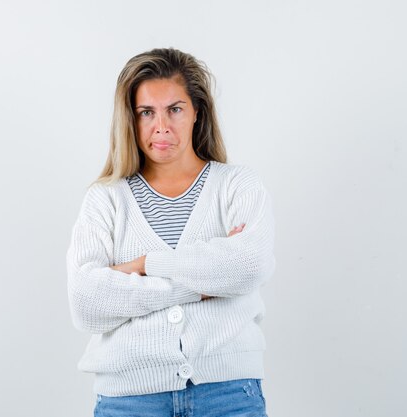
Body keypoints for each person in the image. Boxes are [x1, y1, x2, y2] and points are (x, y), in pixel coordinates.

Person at [66, 47, 276, 417]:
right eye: (146, 112)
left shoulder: (237, 186)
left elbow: (249, 265)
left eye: (175, 109)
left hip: (228, 396)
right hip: (130, 400)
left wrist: (146, 263)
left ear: (197, 112)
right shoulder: (106, 199)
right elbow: (86, 303)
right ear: (130, 119)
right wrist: (201, 283)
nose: (161, 126)